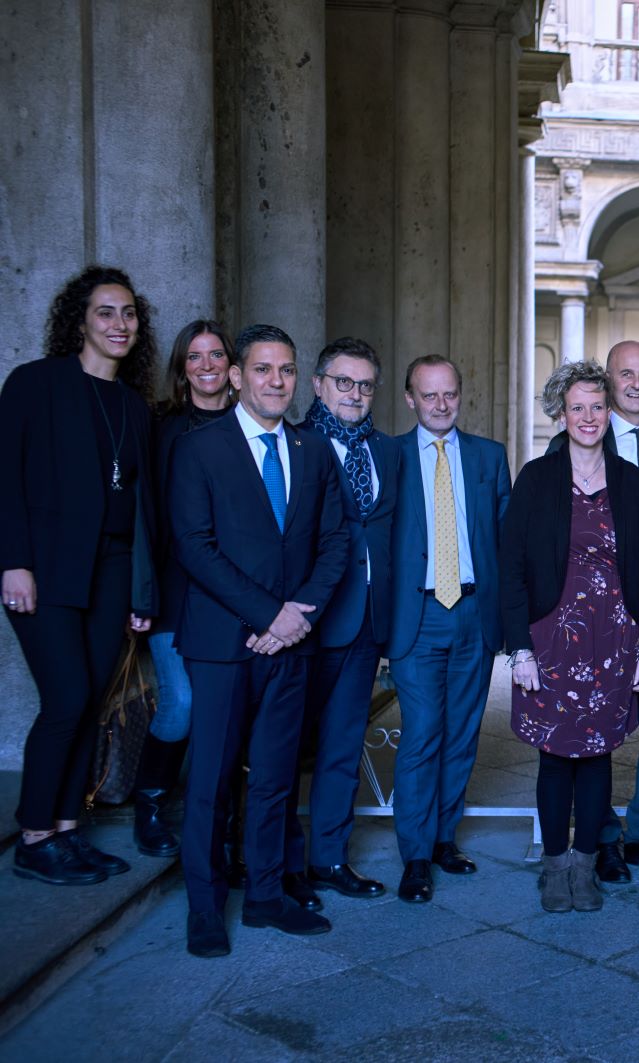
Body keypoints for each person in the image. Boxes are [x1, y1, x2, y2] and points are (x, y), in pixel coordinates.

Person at [168, 324, 350, 957]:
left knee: (274, 777)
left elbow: (335, 543)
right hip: (223, 644)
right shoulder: (200, 448)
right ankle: (205, 908)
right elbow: (194, 547)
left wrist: (297, 615)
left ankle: (267, 898)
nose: (278, 381)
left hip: (292, 642)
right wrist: (268, 615)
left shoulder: (313, 449)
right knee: (212, 780)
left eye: (288, 370)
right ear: (239, 377)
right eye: (265, 370)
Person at [1, 266, 158, 885]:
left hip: (112, 570)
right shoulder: (34, 384)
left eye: (128, 314)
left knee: (89, 702)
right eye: (106, 312)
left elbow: (143, 506)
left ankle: (67, 830)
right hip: (45, 570)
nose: (120, 325)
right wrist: (13, 562)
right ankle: (34, 836)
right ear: (81, 321)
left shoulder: (132, 405)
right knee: (64, 698)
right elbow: (4, 478)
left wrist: (140, 591)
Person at [502, 361, 639, 914]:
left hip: (614, 638)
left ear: (609, 412)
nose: (588, 417)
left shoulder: (633, 482)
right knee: (554, 755)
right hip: (551, 637)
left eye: (597, 406)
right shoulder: (536, 478)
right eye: (577, 408)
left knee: (597, 756)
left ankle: (586, 865)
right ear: (560, 415)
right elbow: (512, 566)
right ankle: (554, 868)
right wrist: (518, 646)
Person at [547, 340, 639, 882]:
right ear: (608, 380)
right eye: (626, 374)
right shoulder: (569, 445)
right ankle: (601, 840)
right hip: (595, 618)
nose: (637, 384)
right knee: (591, 732)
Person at [278, 337, 400, 907]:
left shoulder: (388, 451)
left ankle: (328, 858)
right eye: (343, 382)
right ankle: (278, 865)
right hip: (303, 622)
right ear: (319, 384)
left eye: (365, 384)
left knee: (342, 747)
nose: (355, 394)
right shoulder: (294, 445)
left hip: (364, 624)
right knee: (280, 747)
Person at [386, 354, 511, 905]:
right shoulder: (388, 457)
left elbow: (506, 543)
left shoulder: (489, 457)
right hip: (417, 616)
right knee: (421, 734)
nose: (441, 405)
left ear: (461, 395)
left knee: (462, 734)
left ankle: (442, 839)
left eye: (450, 394)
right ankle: (414, 855)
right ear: (410, 398)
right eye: (428, 395)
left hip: (473, 611)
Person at [130, 318, 235, 858]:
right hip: (174, 588)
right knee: (183, 703)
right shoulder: (163, 428)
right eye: (194, 357)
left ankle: (221, 812)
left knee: (229, 706)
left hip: (233, 592)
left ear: (232, 366)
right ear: (182, 369)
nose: (207, 366)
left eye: (216, 355)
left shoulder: (250, 423)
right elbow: (144, 516)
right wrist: (141, 595)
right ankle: (149, 801)